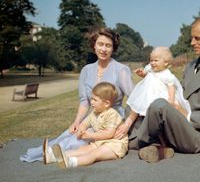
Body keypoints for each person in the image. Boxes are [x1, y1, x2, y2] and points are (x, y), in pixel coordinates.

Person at [20, 27, 134, 163]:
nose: (103, 49)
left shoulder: (121, 70)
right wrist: (77, 121)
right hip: (93, 118)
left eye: (108, 45)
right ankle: (51, 152)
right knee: (71, 134)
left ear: (113, 48)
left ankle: (54, 155)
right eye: (100, 44)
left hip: (111, 122)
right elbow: (84, 101)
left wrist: (127, 124)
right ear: (94, 45)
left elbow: (135, 100)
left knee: (78, 141)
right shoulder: (86, 70)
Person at [124, 18, 200, 163]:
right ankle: (159, 148)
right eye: (192, 38)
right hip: (178, 122)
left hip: (195, 134)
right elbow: (181, 93)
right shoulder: (191, 66)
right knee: (135, 102)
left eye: (198, 38)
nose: (192, 43)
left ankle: (136, 142)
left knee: (159, 105)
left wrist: (187, 114)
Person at [45, 82, 128, 168]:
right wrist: (81, 130)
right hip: (100, 142)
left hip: (115, 145)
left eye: (95, 100)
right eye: (91, 98)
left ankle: (71, 162)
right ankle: (54, 157)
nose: (91, 102)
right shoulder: (94, 113)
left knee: (94, 154)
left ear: (106, 103)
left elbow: (109, 133)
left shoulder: (112, 114)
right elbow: (85, 123)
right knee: (82, 150)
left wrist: (90, 135)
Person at [126, 46, 191, 126]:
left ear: (166, 63)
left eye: (156, 60)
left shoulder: (167, 75)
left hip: (162, 95)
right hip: (149, 93)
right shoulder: (150, 68)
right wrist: (141, 73)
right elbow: (145, 74)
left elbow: (171, 87)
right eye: (151, 60)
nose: (152, 63)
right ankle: (138, 121)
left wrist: (170, 99)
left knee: (168, 109)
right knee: (141, 104)